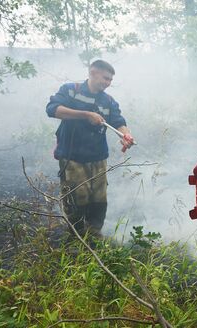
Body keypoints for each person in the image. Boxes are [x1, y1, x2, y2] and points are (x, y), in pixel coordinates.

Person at [45, 60, 135, 237]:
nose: (108, 83)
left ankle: (94, 235)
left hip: (98, 157)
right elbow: (52, 109)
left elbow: (118, 122)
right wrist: (85, 115)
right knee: (78, 197)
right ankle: (76, 237)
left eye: (110, 80)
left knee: (99, 199)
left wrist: (125, 135)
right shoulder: (71, 90)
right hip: (72, 156)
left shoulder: (108, 101)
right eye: (105, 78)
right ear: (93, 73)